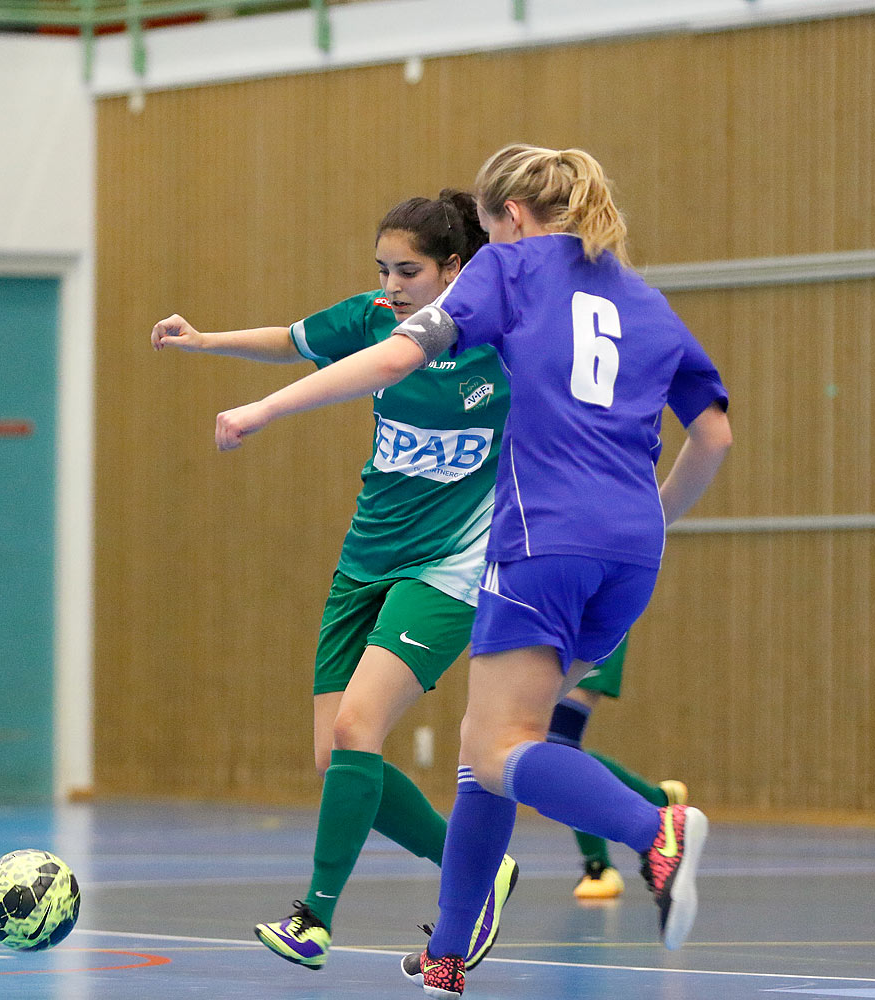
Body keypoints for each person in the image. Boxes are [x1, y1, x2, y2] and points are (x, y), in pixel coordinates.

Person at [211, 143, 733, 998]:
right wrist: (656, 516)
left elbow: (392, 359)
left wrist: (265, 407)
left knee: (503, 745)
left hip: (541, 538)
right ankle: (450, 954)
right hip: (631, 548)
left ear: (511, 219)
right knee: (485, 744)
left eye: (488, 227)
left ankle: (656, 829)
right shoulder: (646, 300)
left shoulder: (511, 268)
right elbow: (713, 437)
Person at [151, 191, 518, 972]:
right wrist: (204, 339)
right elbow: (289, 341)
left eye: (409, 271)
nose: (391, 285)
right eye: (383, 268)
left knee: (359, 730)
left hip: (448, 567)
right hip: (365, 557)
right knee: (335, 756)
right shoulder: (371, 318)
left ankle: (313, 918)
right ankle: (476, 865)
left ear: (455, 269)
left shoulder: (504, 340)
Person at [549, 637, 690, 900]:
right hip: (539, 621)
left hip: (587, 623)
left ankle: (598, 865)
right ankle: (659, 801)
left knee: (559, 743)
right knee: (540, 748)